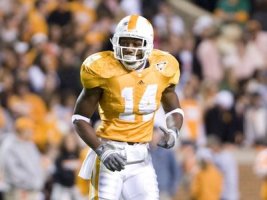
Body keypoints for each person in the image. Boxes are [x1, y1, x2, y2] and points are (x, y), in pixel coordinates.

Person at [72, 14, 184, 200]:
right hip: (110, 154)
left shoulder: (163, 68)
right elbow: (79, 118)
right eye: (125, 41)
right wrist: (102, 150)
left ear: (148, 44)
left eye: (135, 43)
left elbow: (174, 109)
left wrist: (174, 132)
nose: (129, 48)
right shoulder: (102, 69)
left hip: (142, 158)